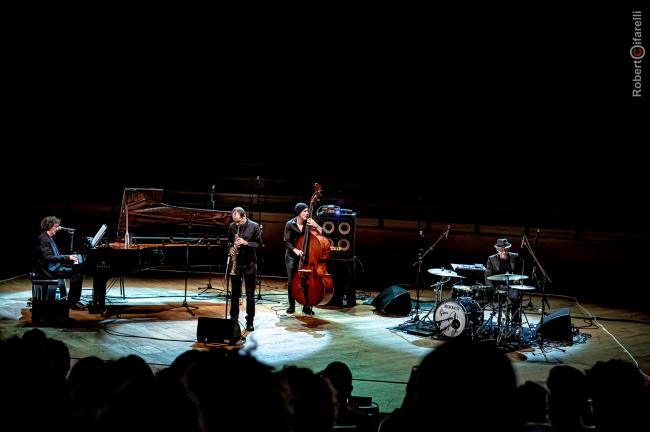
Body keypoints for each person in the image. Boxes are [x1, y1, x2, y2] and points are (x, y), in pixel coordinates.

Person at [34, 216, 84, 309]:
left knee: (77, 269)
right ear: (50, 226)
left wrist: (69, 258)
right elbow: (47, 257)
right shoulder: (43, 239)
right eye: (55, 227)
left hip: (52, 266)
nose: (57, 229)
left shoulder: (48, 237)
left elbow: (55, 256)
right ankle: (72, 303)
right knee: (77, 274)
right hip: (48, 270)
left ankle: (71, 300)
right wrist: (67, 257)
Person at [284, 202, 324, 315]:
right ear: (298, 213)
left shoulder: (310, 223)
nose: (307, 213)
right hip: (292, 256)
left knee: (307, 281)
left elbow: (323, 233)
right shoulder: (289, 224)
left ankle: (307, 305)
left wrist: (316, 225)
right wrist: (295, 250)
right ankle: (291, 306)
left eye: (308, 211)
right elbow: (286, 241)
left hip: (306, 256)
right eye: (305, 211)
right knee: (292, 281)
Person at [227, 207, 261, 332]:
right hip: (236, 263)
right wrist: (230, 249)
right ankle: (233, 318)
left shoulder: (254, 226)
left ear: (243, 216)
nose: (236, 224)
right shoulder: (232, 226)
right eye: (235, 221)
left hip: (250, 264)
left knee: (250, 293)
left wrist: (246, 243)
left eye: (238, 221)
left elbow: (259, 244)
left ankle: (250, 321)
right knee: (234, 293)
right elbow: (229, 242)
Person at [485, 238, 523, 327]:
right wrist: (491, 289)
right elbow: (487, 276)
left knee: (515, 298)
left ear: (508, 249)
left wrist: (518, 277)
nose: (504, 252)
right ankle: (498, 323)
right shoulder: (491, 259)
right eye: (501, 250)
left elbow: (520, 272)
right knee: (491, 298)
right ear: (497, 250)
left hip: (511, 285)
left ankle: (515, 324)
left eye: (505, 250)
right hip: (497, 286)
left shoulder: (515, 257)